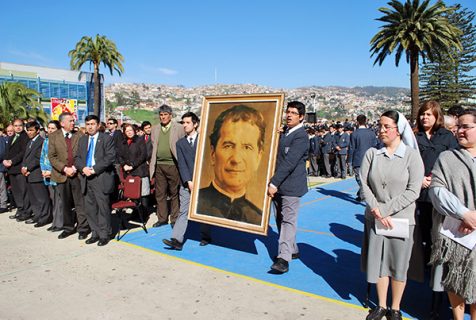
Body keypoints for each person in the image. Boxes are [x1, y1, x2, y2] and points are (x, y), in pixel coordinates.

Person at [360, 110, 424, 320]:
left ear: (399, 130)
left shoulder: (411, 157)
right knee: (380, 264)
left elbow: (414, 190)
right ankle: (381, 305)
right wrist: (375, 209)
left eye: (387, 126)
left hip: (401, 219)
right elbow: (364, 184)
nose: (382, 130)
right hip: (376, 219)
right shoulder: (372, 154)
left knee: (398, 265)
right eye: (380, 125)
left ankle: (395, 307)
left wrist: (384, 210)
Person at [429, 109, 476, 320]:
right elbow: (437, 190)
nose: (460, 131)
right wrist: (463, 213)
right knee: (454, 279)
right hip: (455, 234)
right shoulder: (447, 157)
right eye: (458, 127)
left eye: (466, 126)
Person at [197, 104, 265, 225]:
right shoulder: (195, 204)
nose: (236, 159)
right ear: (213, 153)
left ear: (258, 157)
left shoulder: (258, 219)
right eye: (228, 146)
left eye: (247, 147)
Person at [267, 101, 309, 274]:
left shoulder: (301, 136)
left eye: (293, 113)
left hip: (291, 186)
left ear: (301, 117)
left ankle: (283, 259)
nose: (289, 115)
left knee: (288, 221)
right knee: (279, 219)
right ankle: (293, 249)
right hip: (279, 185)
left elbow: (289, 162)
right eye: (288, 112)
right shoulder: (284, 132)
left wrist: (274, 183)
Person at [163, 112, 211, 249]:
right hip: (186, 184)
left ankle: (206, 236)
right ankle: (176, 240)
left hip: (203, 183)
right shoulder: (180, 143)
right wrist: (188, 181)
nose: (184, 125)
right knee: (183, 211)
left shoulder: (204, 141)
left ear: (195, 124)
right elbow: (182, 164)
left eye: (188, 122)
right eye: (183, 123)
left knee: (202, 211)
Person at [75, 115, 116, 246]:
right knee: (90, 208)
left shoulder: (106, 139)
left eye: (93, 124)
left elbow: (110, 157)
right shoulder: (82, 140)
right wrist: (83, 168)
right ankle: (95, 233)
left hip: (101, 177)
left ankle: (104, 234)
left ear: (98, 125)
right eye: (88, 124)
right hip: (86, 177)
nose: (90, 126)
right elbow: (78, 158)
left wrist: (94, 169)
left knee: (103, 207)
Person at [49, 112, 90, 240]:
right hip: (61, 175)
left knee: (80, 203)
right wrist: (64, 168)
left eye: (73, 121)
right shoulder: (53, 136)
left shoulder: (80, 135)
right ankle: (68, 227)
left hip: (77, 174)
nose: (73, 123)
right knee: (65, 204)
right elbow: (52, 156)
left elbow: (83, 153)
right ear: (62, 123)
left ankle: (83, 228)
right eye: (71, 121)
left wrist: (73, 168)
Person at [149, 104, 184, 227]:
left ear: (170, 115)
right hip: (159, 165)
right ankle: (162, 218)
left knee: (174, 193)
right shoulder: (155, 129)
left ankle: (174, 219)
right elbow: (154, 146)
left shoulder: (179, 128)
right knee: (160, 193)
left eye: (165, 115)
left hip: (173, 164)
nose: (163, 117)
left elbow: (182, 145)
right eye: (161, 115)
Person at [22, 121, 52, 227]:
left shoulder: (41, 141)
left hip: (36, 173)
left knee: (42, 198)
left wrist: (28, 167)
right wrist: (23, 167)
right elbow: (26, 157)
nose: (29, 133)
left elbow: (38, 158)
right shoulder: (29, 142)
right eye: (28, 130)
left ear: (38, 130)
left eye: (31, 130)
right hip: (28, 175)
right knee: (33, 198)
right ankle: (37, 214)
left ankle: (45, 217)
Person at [3, 119, 31, 221]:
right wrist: (5, 160)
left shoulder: (25, 137)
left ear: (23, 126)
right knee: (16, 191)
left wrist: (11, 161)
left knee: (23, 191)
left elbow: (23, 152)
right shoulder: (12, 137)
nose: (18, 127)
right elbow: (8, 151)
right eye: (15, 126)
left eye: (20, 125)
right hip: (11, 169)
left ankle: (26, 212)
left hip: (19, 168)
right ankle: (20, 210)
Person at [117, 124, 150, 207]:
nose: (129, 132)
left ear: (134, 131)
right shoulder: (123, 143)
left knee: (143, 194)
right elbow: (119, 155)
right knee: (133, 194)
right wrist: (124, 165)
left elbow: (143, 155)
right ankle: (135, 211)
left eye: (130, 130)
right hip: (129, 172)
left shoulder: (140, 140)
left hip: (140, 170)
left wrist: (132, 165)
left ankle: (144, 214)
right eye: (127, 131)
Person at [40, 120, 63, 232]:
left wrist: (51, 171)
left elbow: (60, 160)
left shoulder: (60, 141)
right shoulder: (46, 141)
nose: (50, 130)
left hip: (56, 174)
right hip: (47, 174)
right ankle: (55, 222)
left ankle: (59, 223)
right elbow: (43, 157)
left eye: (53, 128)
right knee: (53, 199)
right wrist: (44, 170)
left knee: (59, 200)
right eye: (48, 128)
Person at [350, 115, 378, 202]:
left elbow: (352, 148)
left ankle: (363, 194)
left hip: (358, 159)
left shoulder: (354, 134)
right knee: (367, 178)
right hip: (370, 158)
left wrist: (349, 160)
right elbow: (375, 146)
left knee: (359, 178)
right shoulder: (371, 133)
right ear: (366, 121)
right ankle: (361, 193)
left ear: (357, 122)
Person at [0, 131, 7, 213]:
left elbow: (1, 153)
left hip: (0, 168)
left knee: (1, 188)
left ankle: (3, 205)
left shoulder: (1, 140)